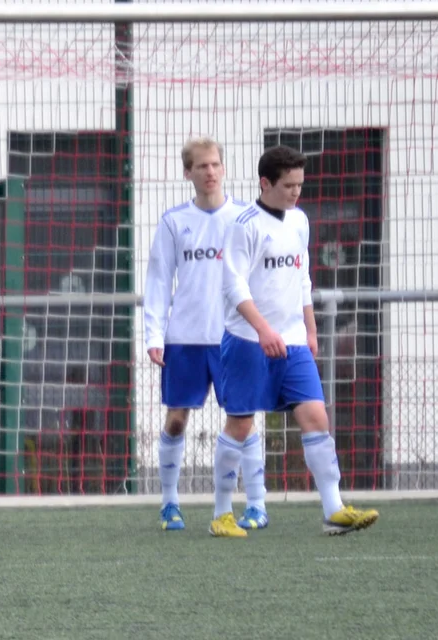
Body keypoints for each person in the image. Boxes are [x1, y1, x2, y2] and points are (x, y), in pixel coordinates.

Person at [211, 145, 379, 537]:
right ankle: (221, 514)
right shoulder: (244, 225)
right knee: (240, 425)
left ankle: (333, 510)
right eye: (288, 185)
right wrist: (263, 330)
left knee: (316, 417)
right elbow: (233, 286)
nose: (296, 192)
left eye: (300, 185)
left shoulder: (300, 221)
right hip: (247, 341)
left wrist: (311, 329)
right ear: (265, 183)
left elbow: (302, 278)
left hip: (294, 343)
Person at [144, 137, 268, 531]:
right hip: (185, 338)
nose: (210, 172)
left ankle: (257, 505)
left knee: (243, 420)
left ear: (223, 168)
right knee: (176, 420)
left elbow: (262, 279)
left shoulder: (246, 217)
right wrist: (154, 335)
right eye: (201, 166)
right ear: (188, 173)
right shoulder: (173, 222)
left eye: (215, 164)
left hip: (235, 337)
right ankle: (169, 504)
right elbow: (158, 281)